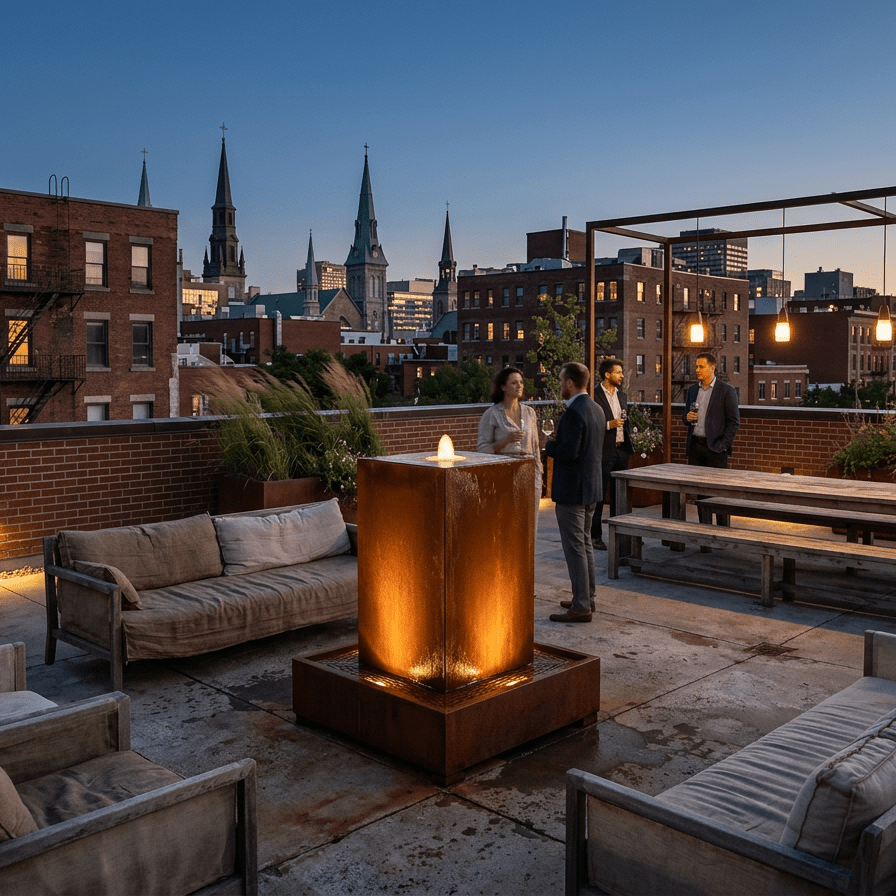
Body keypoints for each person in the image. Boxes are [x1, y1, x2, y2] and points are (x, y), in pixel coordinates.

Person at [544, 362, 605, 622]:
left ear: (570, 382)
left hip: (572, 490)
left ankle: (580, 606)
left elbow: (569, 452)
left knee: (575, 548)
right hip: (591, 487)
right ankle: (586, 597)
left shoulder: (573, 413)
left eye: (561, 381)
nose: (560, 385)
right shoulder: (596, 409)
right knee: (586, 545)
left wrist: (550, 446)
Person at [477, 367, 544, 534]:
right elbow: (482, 449)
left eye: (521, 382)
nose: (519, 386)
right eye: (514, 383)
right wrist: (505, 441)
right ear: (503, 387)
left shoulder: (530, 412)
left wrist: (539, 473)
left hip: (529, 471)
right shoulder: (491, 414)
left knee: (528, 523)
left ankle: (528, 559)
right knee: (507, 521)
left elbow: (535, 447)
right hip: (504, 473)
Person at [683, 351, 740, 525]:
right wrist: (687, 418)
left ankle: (723, 531)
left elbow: (734, 422)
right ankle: (705, 531)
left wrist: (723, 445)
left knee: (719, 492)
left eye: (701, 366)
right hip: (696, 447)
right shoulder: (692, 390)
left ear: (712, 368)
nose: (697, 370)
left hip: (716, 449)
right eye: (696, 366)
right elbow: (685, 416)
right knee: (701, 493)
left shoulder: (726, 390)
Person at [589, 358, 633, 551]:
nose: (621, 376)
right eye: (618, 372)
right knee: (599, 496)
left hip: (621, 451)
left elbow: (626, 421)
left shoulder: (622, 396)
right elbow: (590, 424)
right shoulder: (594, 396)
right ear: (607, 374)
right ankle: (595, 536)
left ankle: (621, 535)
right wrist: (609, 424)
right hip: (603, 451)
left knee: (620, 496)